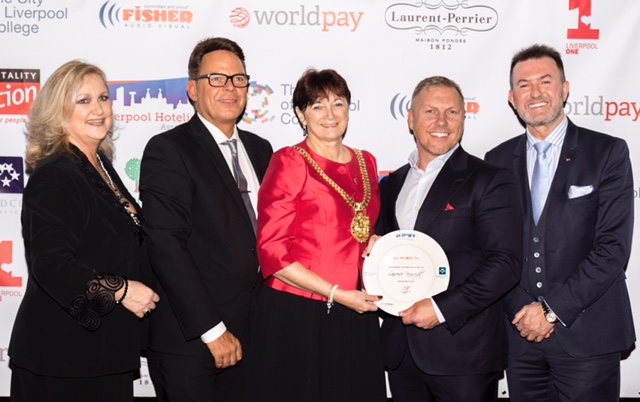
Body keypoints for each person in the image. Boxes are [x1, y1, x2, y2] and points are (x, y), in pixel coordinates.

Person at [485, 44, 635, 401]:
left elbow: (612, 248)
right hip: (520, 338)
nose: (535, 92)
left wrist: (550, 311)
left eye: (546, 81)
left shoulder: (608, 152)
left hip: (589, 335)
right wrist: (521, 311)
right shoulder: (496, 160)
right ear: (512, 98)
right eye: (524, 85)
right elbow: (491, 249)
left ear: (564, 90)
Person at [8, 60, 160, 402]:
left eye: (103, 98)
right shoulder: (55, 174)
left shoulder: (100, 166)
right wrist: (122, 291)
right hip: (61, 359)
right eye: (84, 100)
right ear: (59, 113)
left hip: (106, 352)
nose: (99, 109)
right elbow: (52, 265)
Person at [140, 37, 273, 401]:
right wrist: (213, 331)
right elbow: (166, 246)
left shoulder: (262, 150)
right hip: (193, 343)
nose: (230, 88)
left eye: (238, 79)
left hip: (256, 336)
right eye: (216, 78)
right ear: (193, 90)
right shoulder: (169, 149)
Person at [376, 76, 522, 402]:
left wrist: (441, 309)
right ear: (411, 119)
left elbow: (506, 263)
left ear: (463, 120)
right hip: (401, 353)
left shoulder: (489, 179)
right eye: (430, 111)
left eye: (452, 112)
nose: (441, 121)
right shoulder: (391, 184)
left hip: (464, 354)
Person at [248, 68, 386, 401]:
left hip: (357, 308)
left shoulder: (366, 162)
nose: (330, 115)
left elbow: (358, 227)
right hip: (300, 311)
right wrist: (336, 294)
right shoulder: (289, 161)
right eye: (318, 106)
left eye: (338, 104)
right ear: (301, 114)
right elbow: (272, 253)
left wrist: (375, 242)